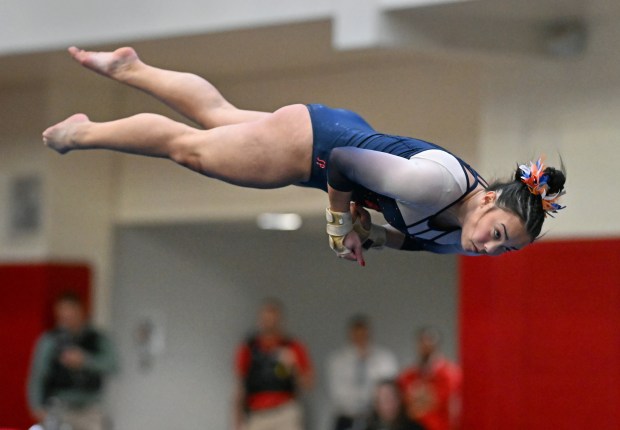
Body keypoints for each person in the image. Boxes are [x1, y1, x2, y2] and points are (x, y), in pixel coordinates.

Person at [42, 47, 567, 266]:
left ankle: (131, 69)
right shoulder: (436, 186)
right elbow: (342, 162)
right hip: (315, 147)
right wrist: (339, 222)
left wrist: (368, 237)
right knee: (191, 150)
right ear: (492, 198)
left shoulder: (459, 237)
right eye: (497, 233)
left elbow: (407, 240)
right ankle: (82, 134)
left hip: (332, 133)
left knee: (218, 117)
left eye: (503, 252)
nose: (488, 249)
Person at [27, 291, 118, 430]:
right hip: (60, 406)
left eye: (70, 312)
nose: (66, 317)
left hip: (89, 408)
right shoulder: (50, 340)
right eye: (62, 314)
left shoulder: (96, 338)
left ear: (80, 311)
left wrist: (85, 361)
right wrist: (37, 406)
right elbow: (38, 375)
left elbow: (112, 365)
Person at [232, 298, 313, 430]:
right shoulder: (248, 348)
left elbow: (308, 385)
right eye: (266, 319)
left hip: (285, 413)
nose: (269, 323)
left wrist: (293, 367)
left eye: (273, 320)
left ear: (280, 320)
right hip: (256, 414)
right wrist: (237, 423)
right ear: (260, 320)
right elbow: (239, 388)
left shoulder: (293, 347)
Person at [327, 315, 399, 430]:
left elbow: (389, 389)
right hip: (347, 417)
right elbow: (338, 394)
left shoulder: (383, 357)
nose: (360, 338)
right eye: (357, 334)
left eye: (364, 334)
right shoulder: (338, 360)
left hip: (375, 420)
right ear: (350, 335)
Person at [397, 327, 461, 430]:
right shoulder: (409, 375)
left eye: (430, 343)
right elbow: (408, 404)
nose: (426, 347)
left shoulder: (450, 373)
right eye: (422, 342)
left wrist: (420, 397)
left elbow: (438, 400)